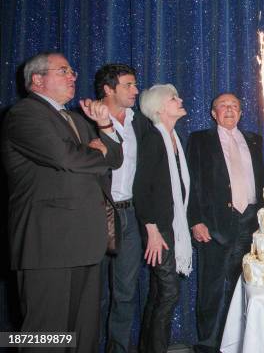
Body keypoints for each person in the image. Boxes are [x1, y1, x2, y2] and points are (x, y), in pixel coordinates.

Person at [1, 52, 123, 352]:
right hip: (48, 245)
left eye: (72, 70)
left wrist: (105, 129)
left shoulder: (76, 119)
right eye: (63, 70)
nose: (73, 76)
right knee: (45, 336)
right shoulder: (24, 114)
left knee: (83, 335)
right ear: (37, 79)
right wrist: (96, 153)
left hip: (84, 241)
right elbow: (65, 158)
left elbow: (116, 159)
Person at [187, 93, 264, 353]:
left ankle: (238, 342)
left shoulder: (255, 140)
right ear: (213, 113)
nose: (229, 110)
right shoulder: (200, 140)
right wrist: (196, 220)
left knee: (243, 286)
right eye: (223, 106)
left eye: (235, 106)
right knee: (210, 287)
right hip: (214, 225)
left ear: (241, 113)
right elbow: (192, 184)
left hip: (250, 223)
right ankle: (207, 343)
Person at [96, 63, 152, 352]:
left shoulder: (138, 122)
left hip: (129, 214)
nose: (135, 90)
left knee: (125, 293)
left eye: (135, 84)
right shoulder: (86, 120)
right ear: (108, 89)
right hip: (95, 215)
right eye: (128, 85)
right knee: (93, 295)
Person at [133, 84, 192, 353]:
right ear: (159, 109)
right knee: (169, 294)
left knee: (159, 294)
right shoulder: (154, 139)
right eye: (173, 98)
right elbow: (142, 189)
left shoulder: (174, 139)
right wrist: (152, 231)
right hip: (159, 229)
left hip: (169, 226)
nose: (180, 100)